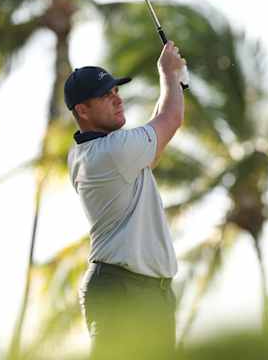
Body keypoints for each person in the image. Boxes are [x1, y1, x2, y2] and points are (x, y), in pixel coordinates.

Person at [65, 41, 186, 358]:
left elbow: (159, 125)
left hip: (149, 291)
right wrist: (168, 74)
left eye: (115, 91)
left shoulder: (98, 152)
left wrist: (170, 79)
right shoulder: (114, 152)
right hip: (124, 289)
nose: (116, 99)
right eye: (105, 95)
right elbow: (170, 118)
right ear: (83, 110)